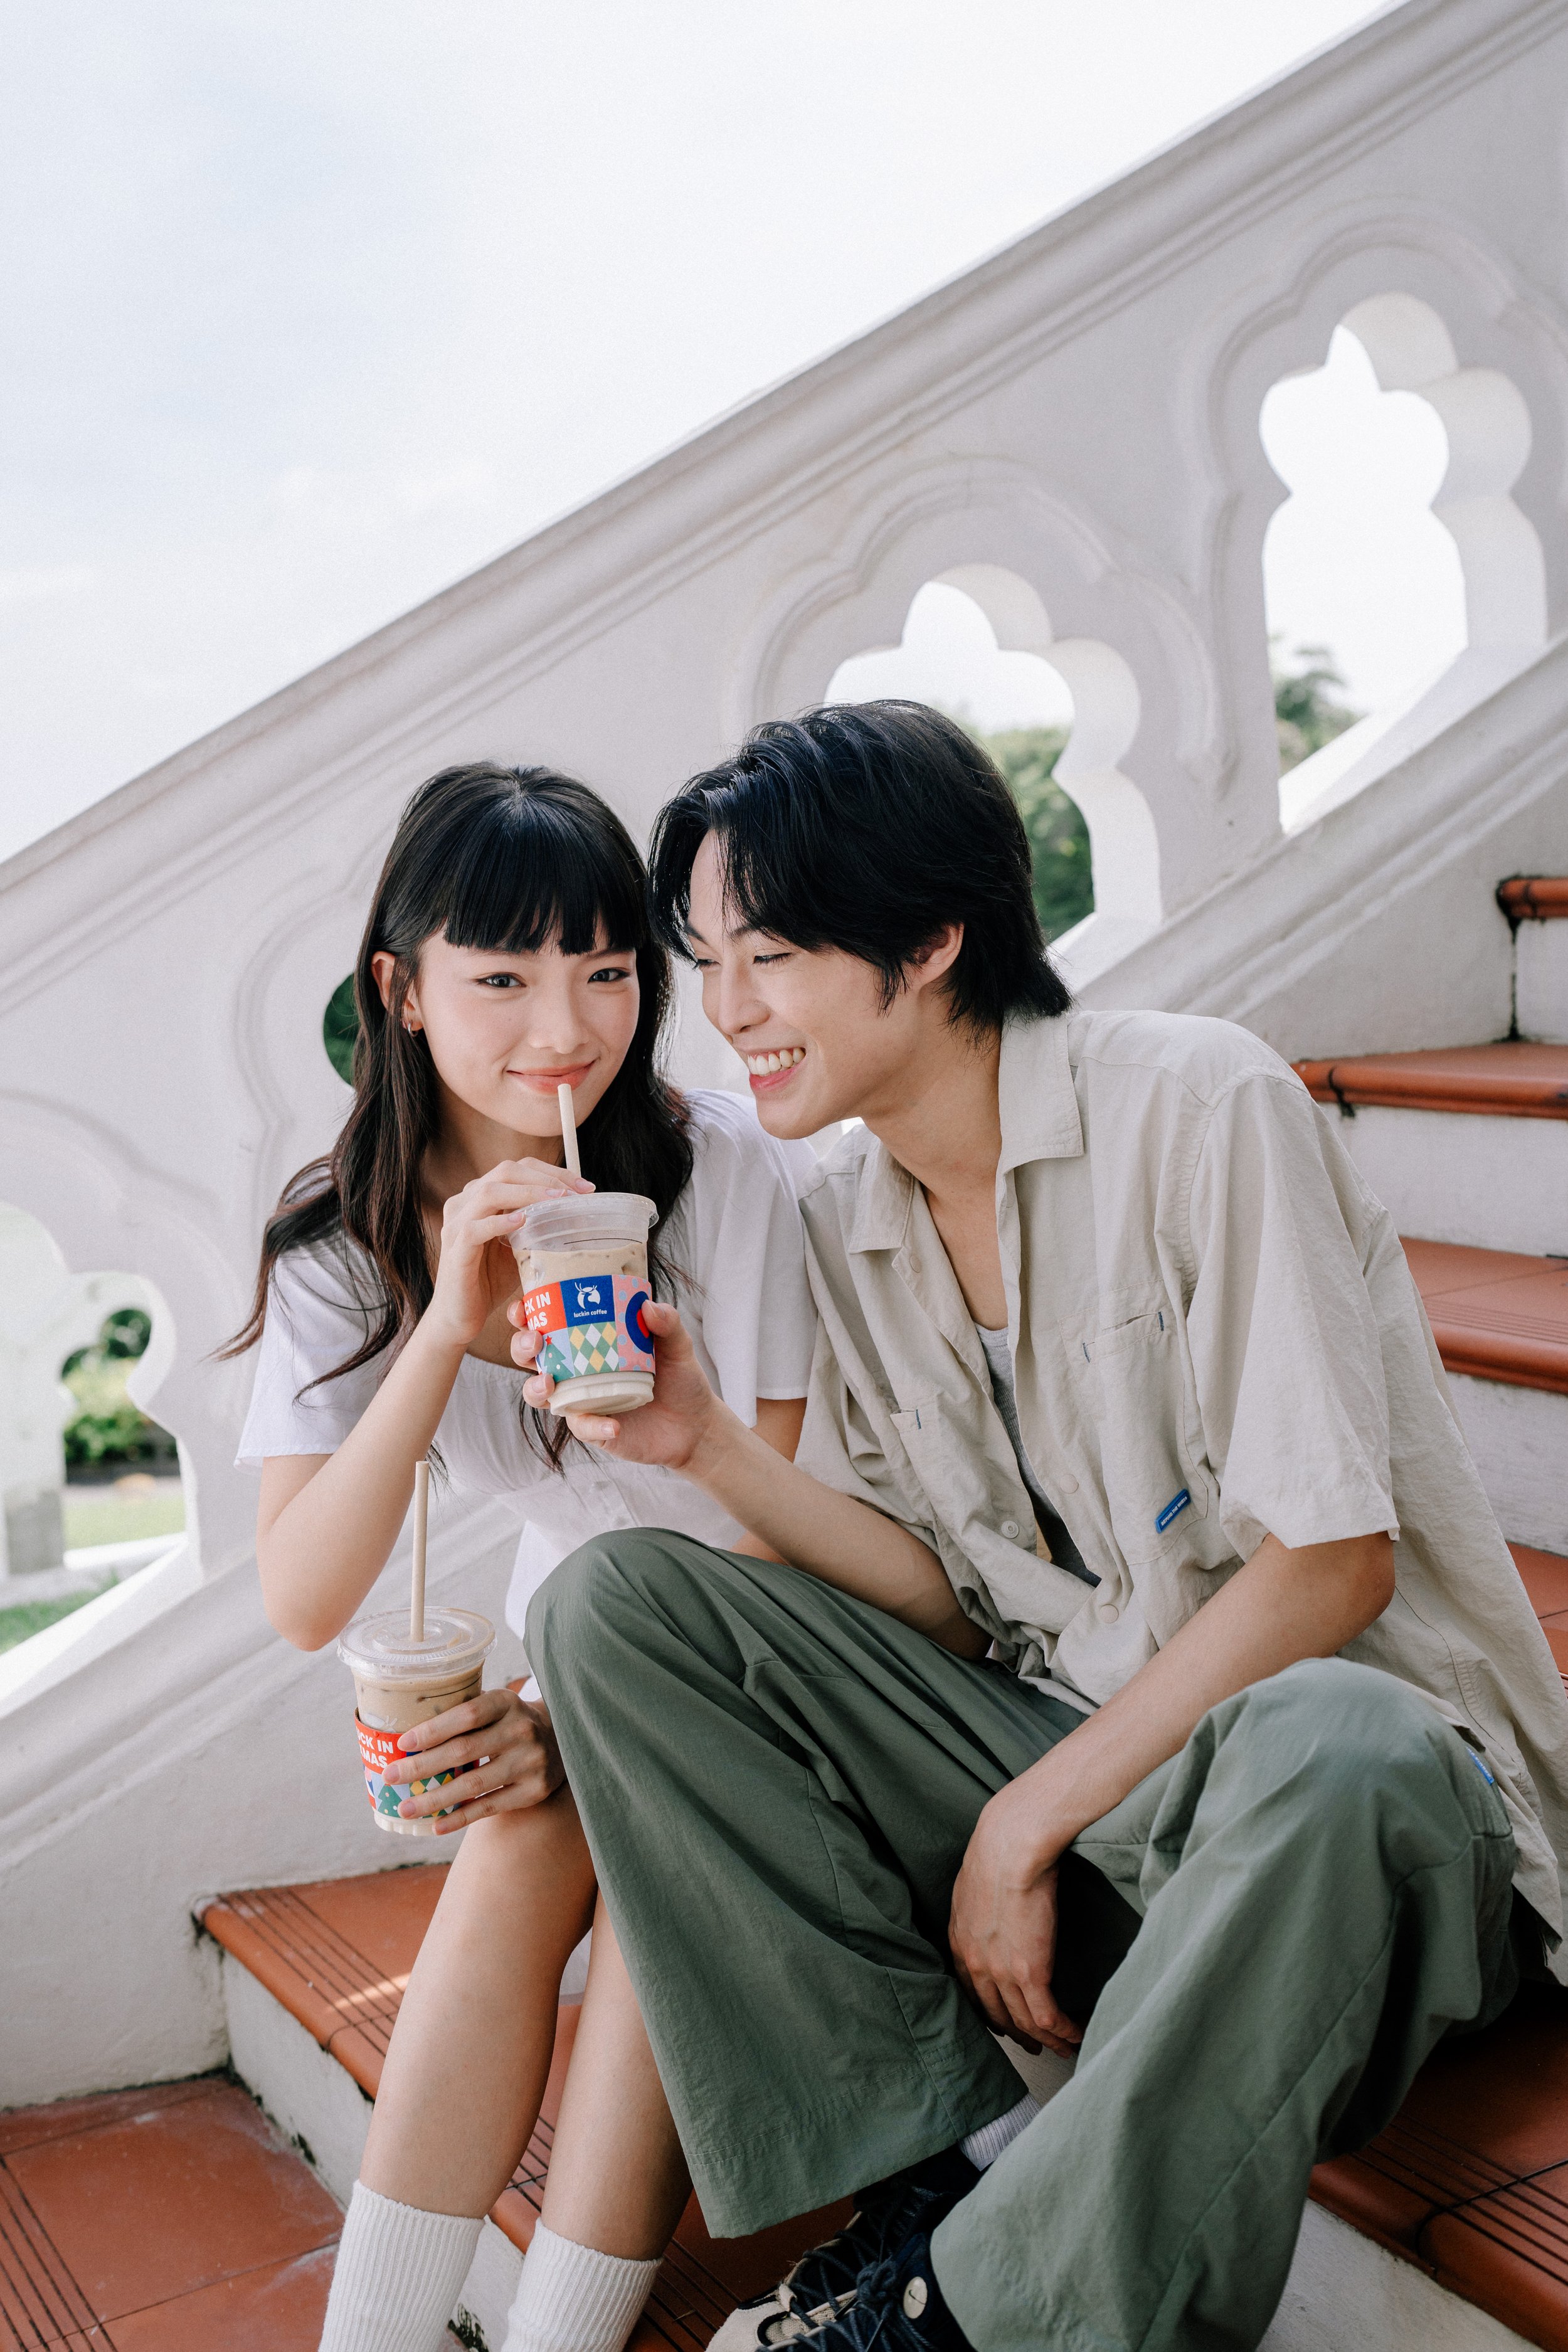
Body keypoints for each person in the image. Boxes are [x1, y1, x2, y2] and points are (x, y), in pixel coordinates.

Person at [514, 702, 1568, 2352]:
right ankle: (948, 2167)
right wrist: (705, 1444)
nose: (727, 1012)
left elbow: (1328, 1563)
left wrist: (1023, 1820)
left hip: (1333, 1838)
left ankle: (965, 2321)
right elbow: (944, 1604)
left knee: (1343, 1739)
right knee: (616, 1606)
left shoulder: (1198, 1106)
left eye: (768, 955)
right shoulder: (845, 1219)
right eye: (705, 963)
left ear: (931, 939)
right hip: (1098, 1821)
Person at [228, 761, 817, 2352]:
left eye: (606, 971)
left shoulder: (711, 1174)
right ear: (400, 991)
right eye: (501, 978)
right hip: (586, 1647)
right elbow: (304, 1599)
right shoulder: (342, 1243)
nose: (564, 1029)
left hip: (779, 1643)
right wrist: (442, 1326)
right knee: (525, 1831)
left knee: (636, 1850)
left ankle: (559, 2335)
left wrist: (583, 1716)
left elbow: (775, 1519)